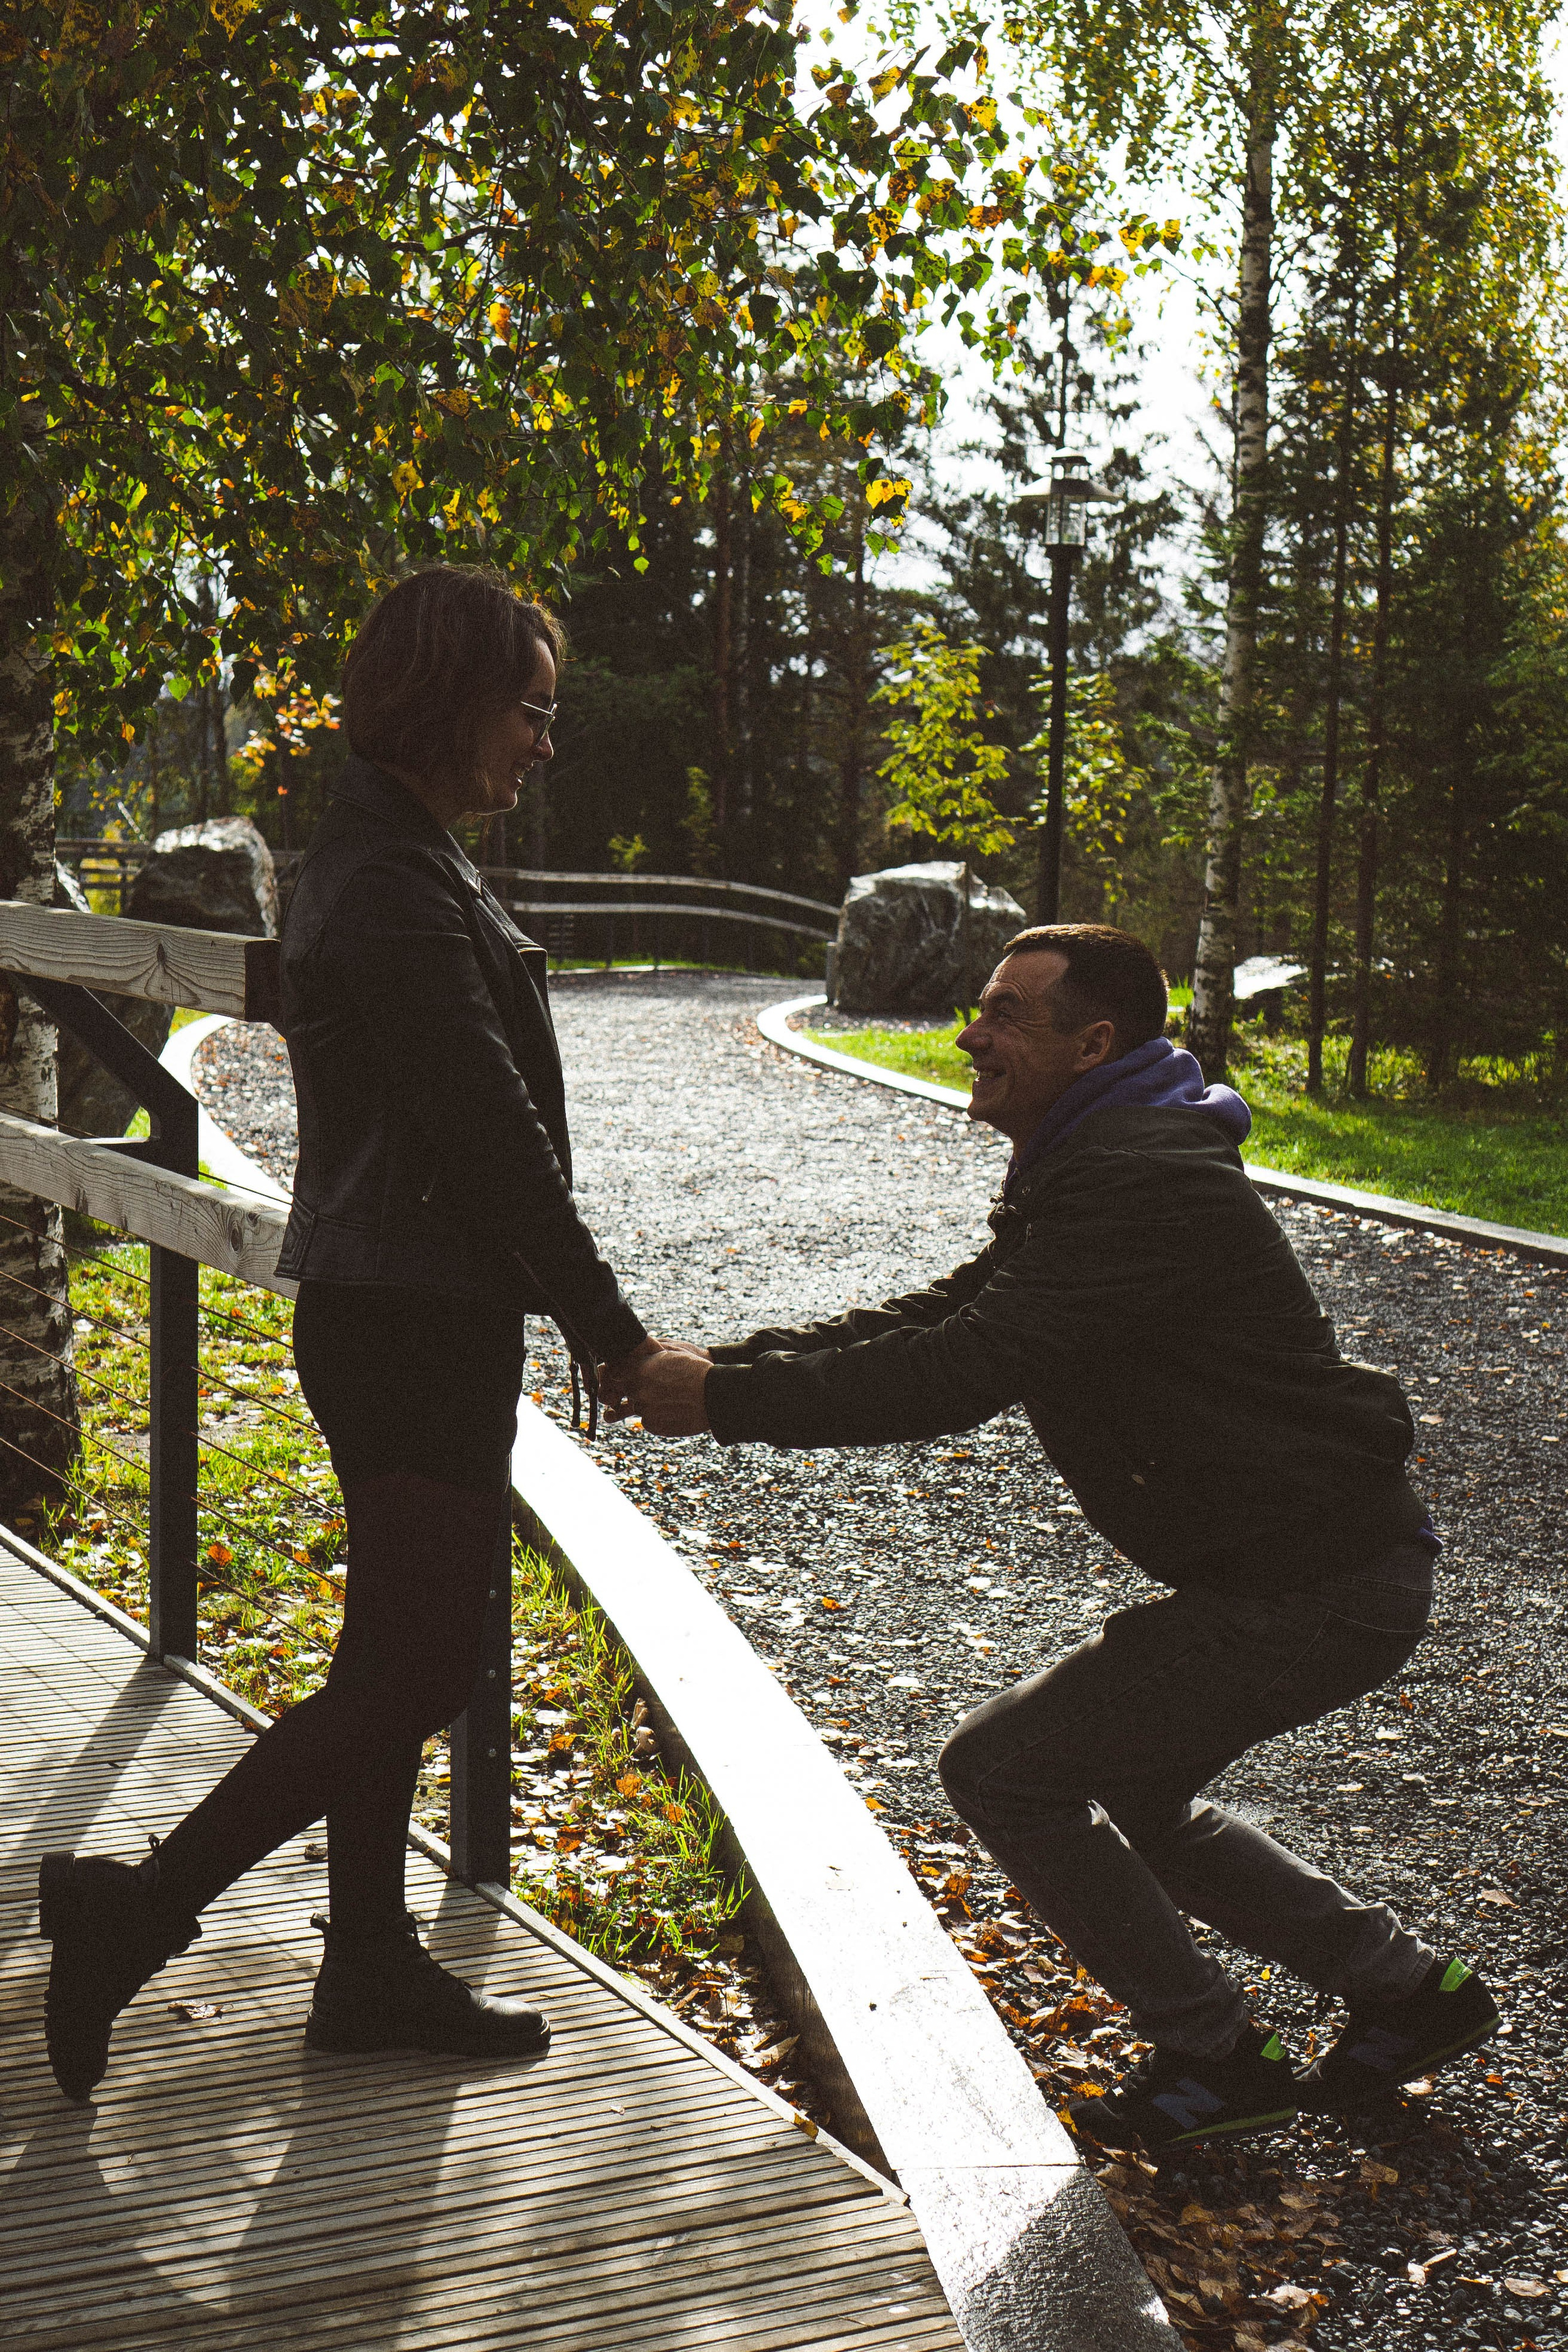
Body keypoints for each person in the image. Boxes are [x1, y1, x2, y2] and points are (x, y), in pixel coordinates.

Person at [605, 924, 1499, 2150]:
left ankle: (1216, 2056)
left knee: (1006, 1770)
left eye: (1005, 1014)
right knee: (1128, 1780)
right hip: (1310, 1568)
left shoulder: (1136, 1178)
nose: (972, 1032)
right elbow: (956, 1310)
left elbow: (966, 1366)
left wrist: (724, 1399)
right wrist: (734, 1369)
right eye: (978, 1005)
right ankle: (1406, 1994)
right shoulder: (1099, 1157)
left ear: (1092, 1043)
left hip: (1316, 1581)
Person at [38, 564, 685, 2103]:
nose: (542, 744)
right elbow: (488, 1133)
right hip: (411, 1318)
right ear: (448, 699)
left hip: (406, 1307)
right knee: (409, 1676)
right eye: (528, 712)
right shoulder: (391, 884)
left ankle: (367, 1963)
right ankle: (137, 1912)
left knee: (388, 1655)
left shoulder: (393, 857)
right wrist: (607, 1327)